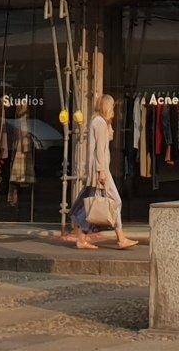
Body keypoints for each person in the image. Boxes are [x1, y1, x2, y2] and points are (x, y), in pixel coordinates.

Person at [73, 93, 136, 250]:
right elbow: (100, 150)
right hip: (101, 171)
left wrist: (109, 123)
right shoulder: (99, 123)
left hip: (99, 170)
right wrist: (101, 171)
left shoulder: (99, 122)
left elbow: (107, 139)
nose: (114, 109)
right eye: (112, 106)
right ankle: (120, 238)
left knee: (95, 204)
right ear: (108, 106)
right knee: (115, 201)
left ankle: (83, 238)